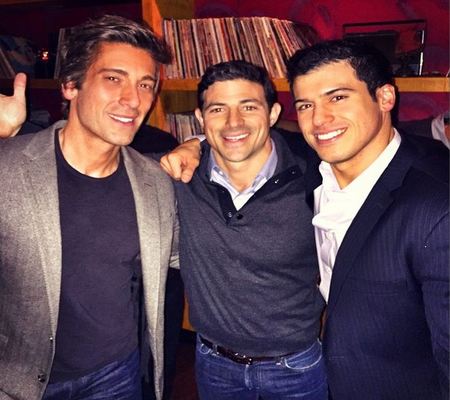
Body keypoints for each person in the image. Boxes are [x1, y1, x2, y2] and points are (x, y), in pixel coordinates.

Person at [161, 41, 449, 400]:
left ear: (385, 97)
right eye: (306, 105)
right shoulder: (315, 169)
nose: (320, 119)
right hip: (225, 363)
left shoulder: (433, 206)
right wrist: (195, 143)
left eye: (338, 97)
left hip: (353, 377)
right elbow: (238, 135)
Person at [0, 14, 179, 400]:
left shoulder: (155, 183)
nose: (133, 100)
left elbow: (196, 252)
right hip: (19, 381)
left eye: (145, 84)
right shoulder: (8, 167)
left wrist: (202, 145)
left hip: (117, 374)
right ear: (70, 85)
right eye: (113, 78)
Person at [174, 60, 327, 400]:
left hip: (295, 366)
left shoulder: (316, 178)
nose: (234, 122)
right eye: (218, 109)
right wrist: (193, 144)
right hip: (213, 362)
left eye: (248, 106)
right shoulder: (181, 176)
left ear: (273, 114)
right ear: (200, 119)